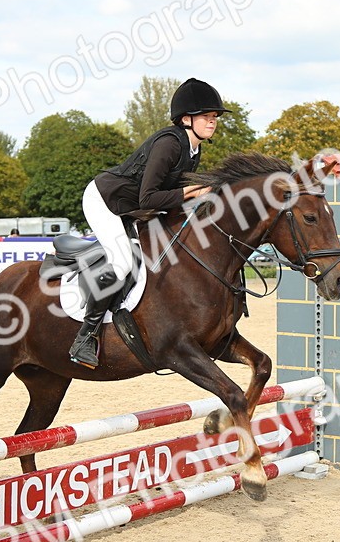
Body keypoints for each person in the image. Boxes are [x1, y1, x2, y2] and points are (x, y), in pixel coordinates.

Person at [68, 78, 229, 368]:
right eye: (207, 116)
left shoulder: (193, 149)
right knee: (121, 262)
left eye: (215, 116)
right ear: (186, 119)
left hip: (132, 207)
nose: (212, 121)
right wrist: (186, 193)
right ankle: (85, 337)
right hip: (106, 201)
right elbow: (148, 197)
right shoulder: (169, 144)